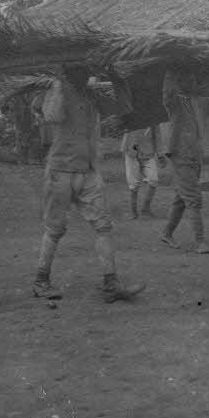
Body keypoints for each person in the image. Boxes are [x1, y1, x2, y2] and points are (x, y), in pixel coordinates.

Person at [32, 64, 138, 303]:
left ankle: (111, 282)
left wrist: (117, 80)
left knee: (103, 226)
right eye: (79, 70)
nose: (85, 74)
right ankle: (41, 281)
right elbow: (51, 115)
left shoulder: (91, 95)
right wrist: (58, 85)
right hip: (60, 170)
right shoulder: (56, 89)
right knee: (54, 229)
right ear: (68, 72)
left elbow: (123, 108)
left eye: (86, 71)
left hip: (88, 170)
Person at [160, 67, 209, 254]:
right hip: (180, 155)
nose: (191, 81)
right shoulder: (175, 102)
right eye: (186, 78)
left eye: (193, 77)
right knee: (193, 197)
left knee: (181, 198)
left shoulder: (200, 102)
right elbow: (167, 93)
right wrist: (171, 69)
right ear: (180, 81)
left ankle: (167, 233)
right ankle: (200, 242)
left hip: (195, 155)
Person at [121, 120, 162, 219]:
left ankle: (145, 209)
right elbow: (125, 133)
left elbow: (157, 137)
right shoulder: (130, 116)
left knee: (153, 179)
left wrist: (160, 154)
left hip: (148, 154)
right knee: (133, 183)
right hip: (132, 153)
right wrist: (124, 149)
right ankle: (133, 212)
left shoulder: (154, 119)